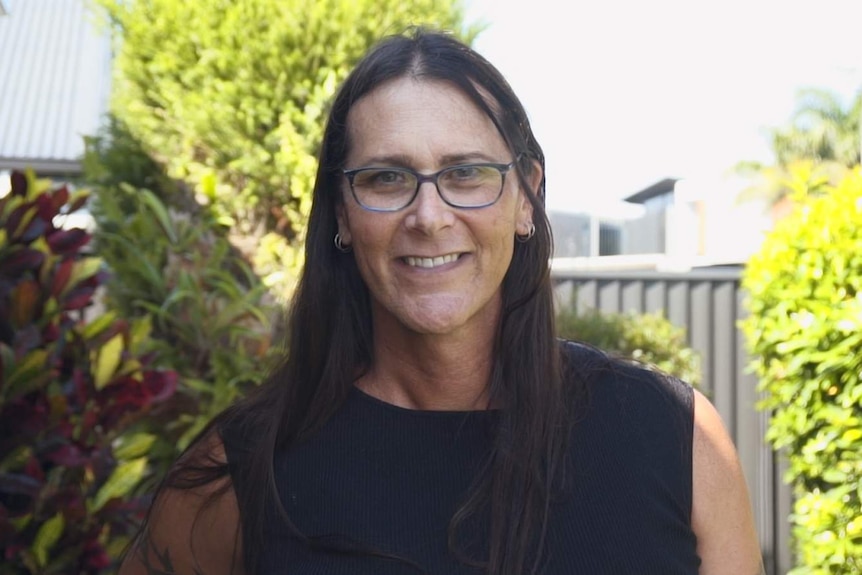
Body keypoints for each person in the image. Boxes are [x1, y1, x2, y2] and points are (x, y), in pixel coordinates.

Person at [119, 28, 763, 575]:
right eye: (386, 178)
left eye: (466, 173)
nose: (429, 216)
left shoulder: (675, 437)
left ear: (526, 196)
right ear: (342, 212)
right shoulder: (239, 475)